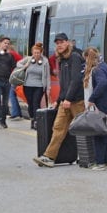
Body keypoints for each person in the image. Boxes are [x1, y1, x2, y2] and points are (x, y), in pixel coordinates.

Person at [33, 32, 86, 168]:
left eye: (62, 42)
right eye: (57, 43)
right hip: (65, 101)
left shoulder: (74, 57)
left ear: (68, 42)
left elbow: (76, 80)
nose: (59, 45)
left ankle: (89, 156)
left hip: (77, 101)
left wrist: (68, 98)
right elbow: (64, 83)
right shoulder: (62, 59)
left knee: (83, 129)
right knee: (58, 128)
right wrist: (59, 100)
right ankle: (49, 157)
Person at [83, 47, 107, 170]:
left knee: (99, 133)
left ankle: (100, 163)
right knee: (106, 131)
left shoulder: (97, 70)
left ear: (88, 58)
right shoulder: (104, 65)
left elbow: (102, 83)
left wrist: (92, 99)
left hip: (104, 105)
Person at [20, 42, 51, 130]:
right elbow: (18, 64)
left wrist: (48, 88)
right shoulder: (28, 59)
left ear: (41, 53)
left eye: (38, 53)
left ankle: (36, 122)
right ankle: (32, 119)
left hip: (39, 86)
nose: (36, 54)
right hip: (27, 85)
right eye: (35, 53)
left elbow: (47, 76)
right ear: (32, 53)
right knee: (30, 104)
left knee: (36, 103)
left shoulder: (45, 61)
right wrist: (24, 66)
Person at [7, 43, 24, 120]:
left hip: (15, 77)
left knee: (12, 94)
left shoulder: (10, 54)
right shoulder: (15, 54)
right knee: (14, 94)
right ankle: (18, 113)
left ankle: (15, 113)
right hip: (18, 76)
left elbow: (11, 66)